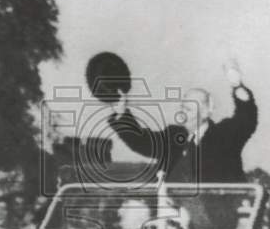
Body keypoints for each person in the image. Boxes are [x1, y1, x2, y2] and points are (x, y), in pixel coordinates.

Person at [107, 62, 258, 184]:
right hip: (174, 215)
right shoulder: (173, 137)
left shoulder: (224, 135)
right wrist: (122, 113)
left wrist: (237, 86)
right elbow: (141, 141)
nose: (183, 113)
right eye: (182, 108)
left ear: (206, 112)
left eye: (189, 108)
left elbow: (246, 119)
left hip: (218, 215)